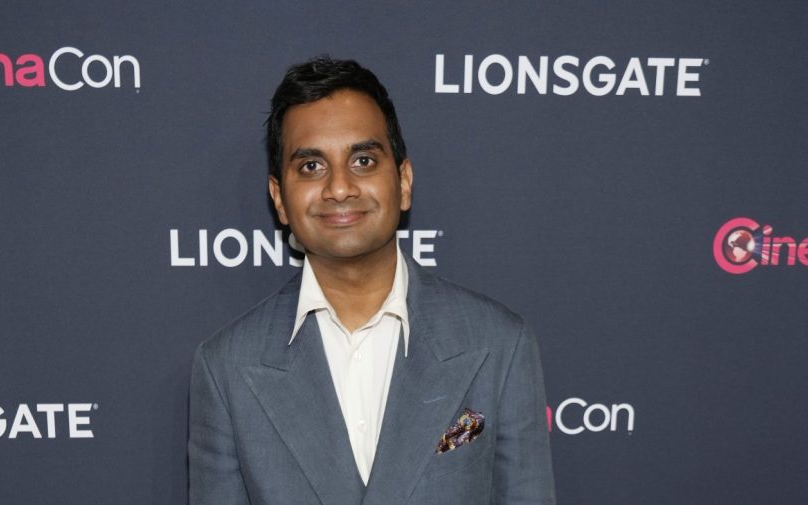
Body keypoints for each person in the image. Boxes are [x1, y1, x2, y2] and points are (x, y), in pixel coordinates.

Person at [188, 57, 556, 505]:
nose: (340, 188)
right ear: (279, 199)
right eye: (311, 166)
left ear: (403, 181)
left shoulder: (499, 343)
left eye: (362, 160)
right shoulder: (227, 368)